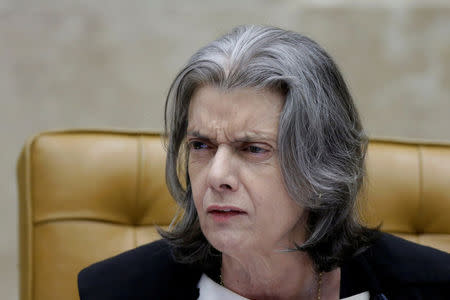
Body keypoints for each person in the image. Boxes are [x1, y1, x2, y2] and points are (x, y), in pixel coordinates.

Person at [78, 25, 450, 300]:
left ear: (321, 161)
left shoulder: (432, 286)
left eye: (253, 149)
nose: (217, 176)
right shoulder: (116, 290)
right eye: (201, 145)